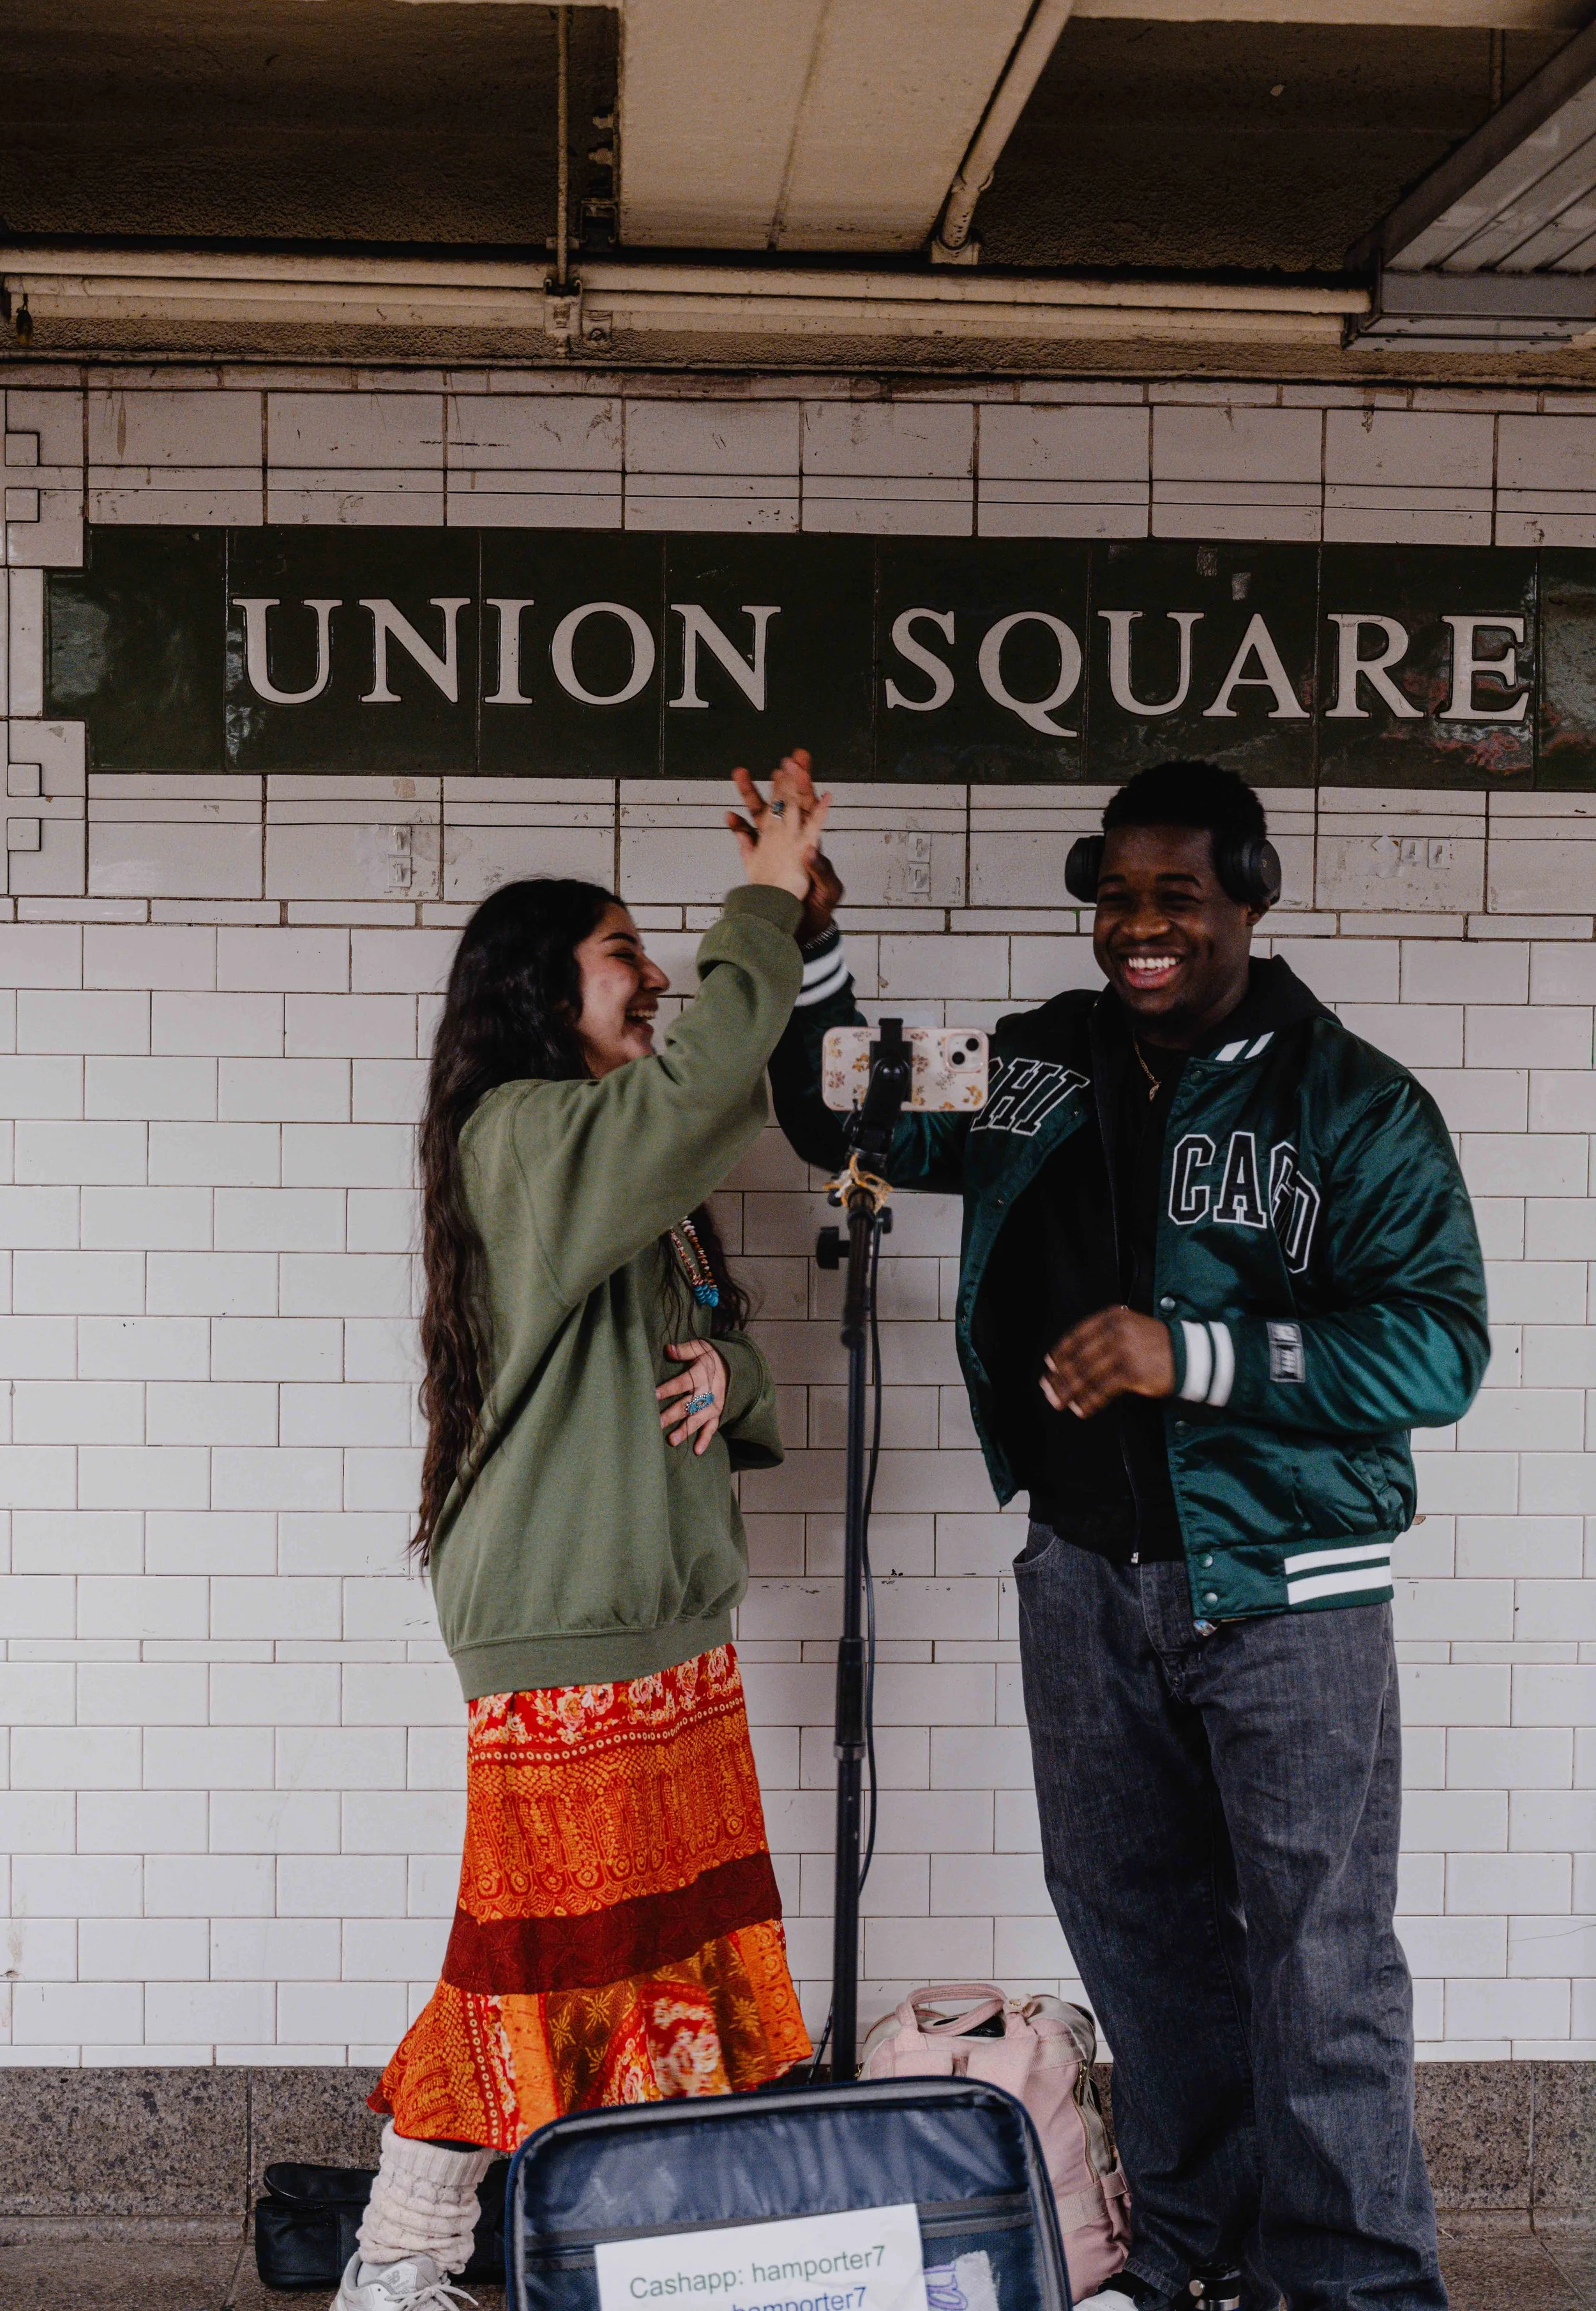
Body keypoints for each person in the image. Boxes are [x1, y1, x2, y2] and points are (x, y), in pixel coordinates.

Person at [752, 751, 1489, 2311]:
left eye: (1175, 897)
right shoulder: (1035, 1065)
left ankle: (1356, 2286)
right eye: (1114, 897)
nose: (1138, 927)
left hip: (1289, 1592)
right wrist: (813, 945)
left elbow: (1439, 1348)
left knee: (1319, 1964)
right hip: (1083, 1581)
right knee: (1135, 1939)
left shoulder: (1350, 1101)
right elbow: (844, 1110)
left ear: (1249, 900)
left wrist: (1189, 1351)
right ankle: (1196, 2255)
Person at [333, 789, 829, 2311]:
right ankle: (400, 2262)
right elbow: (697, 1090)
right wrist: (765, 902)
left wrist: (727, 1381)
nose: (658, 976)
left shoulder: (608, 1171)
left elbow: (708, 1357)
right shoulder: (527, 1136)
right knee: (526, 1961)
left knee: (673, 1955)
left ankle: (649, 2260)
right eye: (624, 953)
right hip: (569, 1623)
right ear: (544, 990)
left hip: (654, 1618)